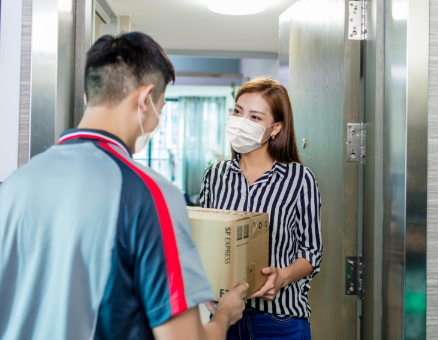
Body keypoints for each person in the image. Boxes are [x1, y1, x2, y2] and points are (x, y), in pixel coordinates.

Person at [0, 32, 247, 340]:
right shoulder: (150, 195)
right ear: (146, 100)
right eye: (161, 106)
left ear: (89, 97)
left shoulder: (11, 188)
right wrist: (224, 314)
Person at [200, 78, 323, 339]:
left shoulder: (299, 179)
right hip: (225, 318)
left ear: (276, 128)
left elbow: (312, 252)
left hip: (280, 322)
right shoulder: (215, 175)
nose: (241, 122)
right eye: (237, 111)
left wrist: (283, 276)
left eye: (255, 117)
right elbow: (204, 241)